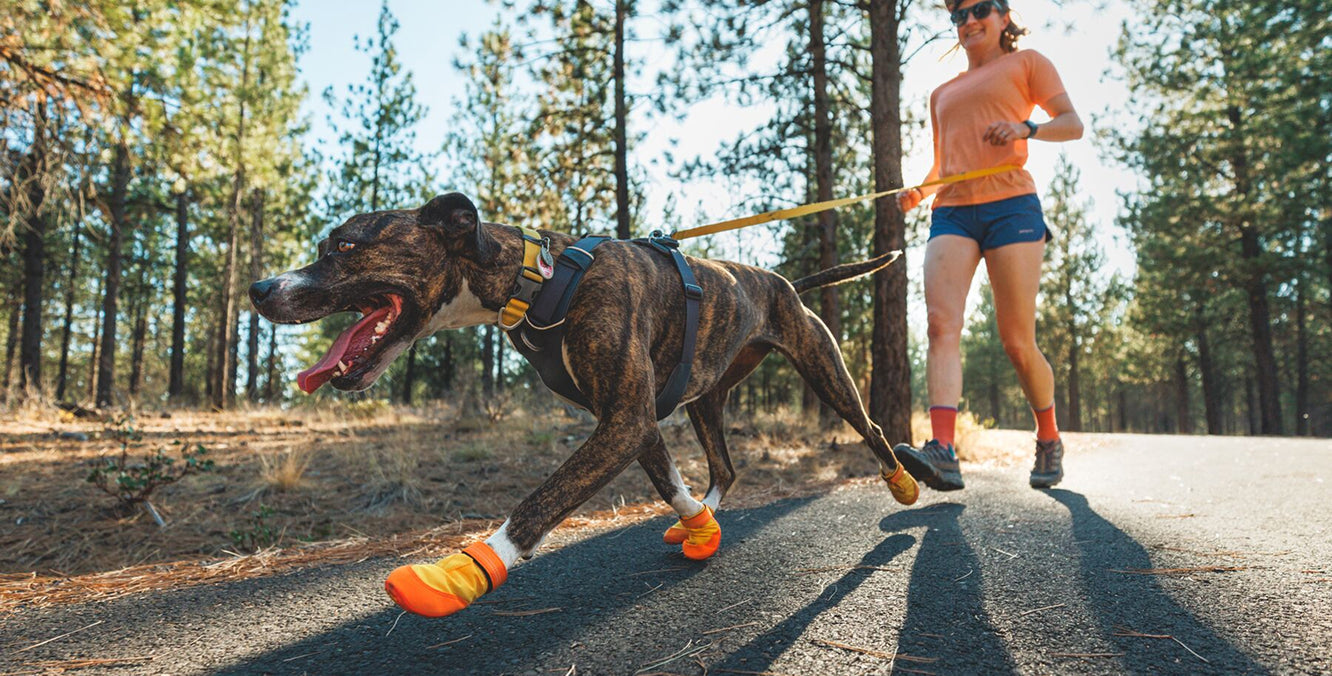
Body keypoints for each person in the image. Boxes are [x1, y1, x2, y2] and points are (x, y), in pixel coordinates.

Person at [893, 0, 1083, 491]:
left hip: (1012, 207)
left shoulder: (1027, 63)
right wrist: (921, 189)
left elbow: (1071, 123)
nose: (968, 21)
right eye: (958, 15)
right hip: (953, 211)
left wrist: (1027, 128)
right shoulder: (942, 92)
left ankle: (1048, 437)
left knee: (1017, 342)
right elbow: (943, 166)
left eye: (978, 9)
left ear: (1002, 16)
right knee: (940, 324)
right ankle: (944, 450)